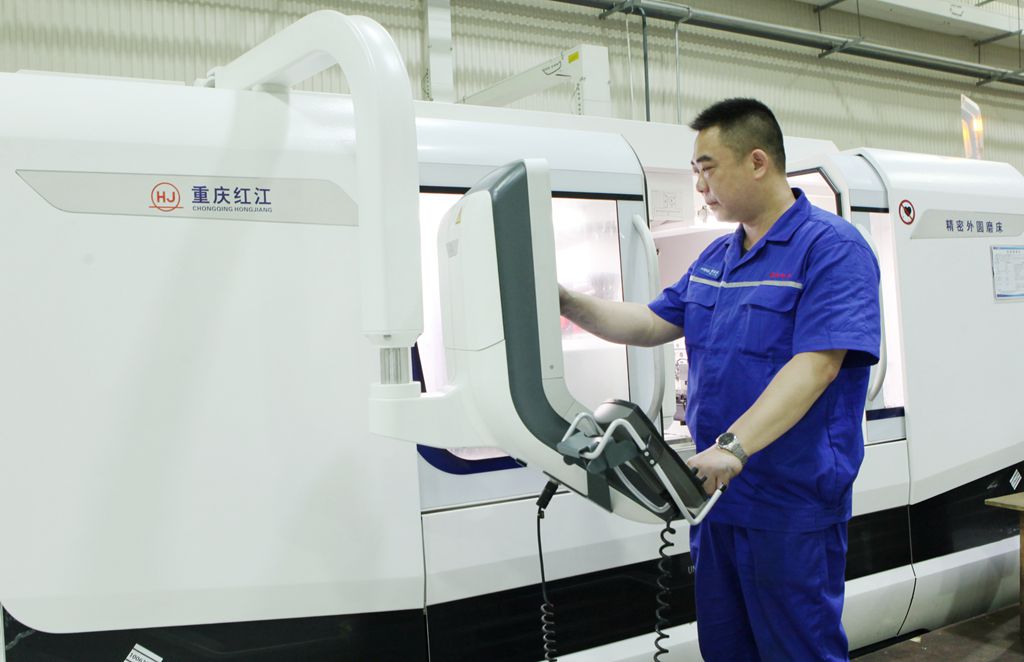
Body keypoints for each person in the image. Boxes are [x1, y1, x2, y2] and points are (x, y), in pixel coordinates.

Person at [559, 98, 880, 661]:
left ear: (757, 162)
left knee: (798, 651)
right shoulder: (717, 259)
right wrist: (564, 301)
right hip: (714, 503)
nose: (699, 185)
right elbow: (651, 322)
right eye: (695, 171)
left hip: (788, 506)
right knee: (727, 649)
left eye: (708, 168)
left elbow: (817, 364)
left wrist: (734, 446)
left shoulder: (831, 249)